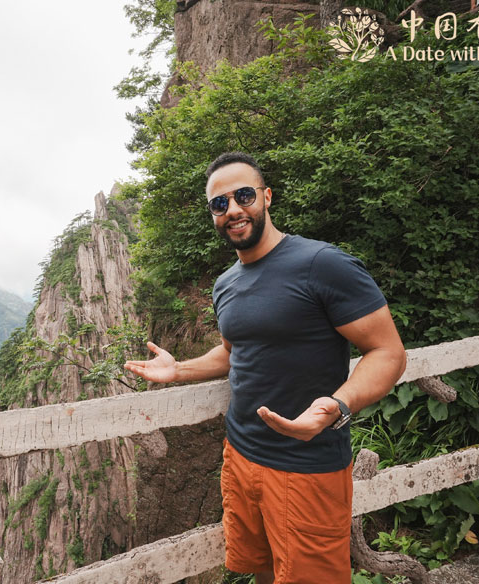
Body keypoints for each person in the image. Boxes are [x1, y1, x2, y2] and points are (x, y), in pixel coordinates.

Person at [124, 152, 407, 584]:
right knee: (262, 570)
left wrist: (338, 404)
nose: (233, 210)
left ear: (266, 196)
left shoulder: (322, 264)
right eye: (220, 203)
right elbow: (233, 352)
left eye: (244, 195)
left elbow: (388, 352)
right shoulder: (226, 284)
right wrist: (178, 370)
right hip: (241, 456)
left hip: (306, 466)